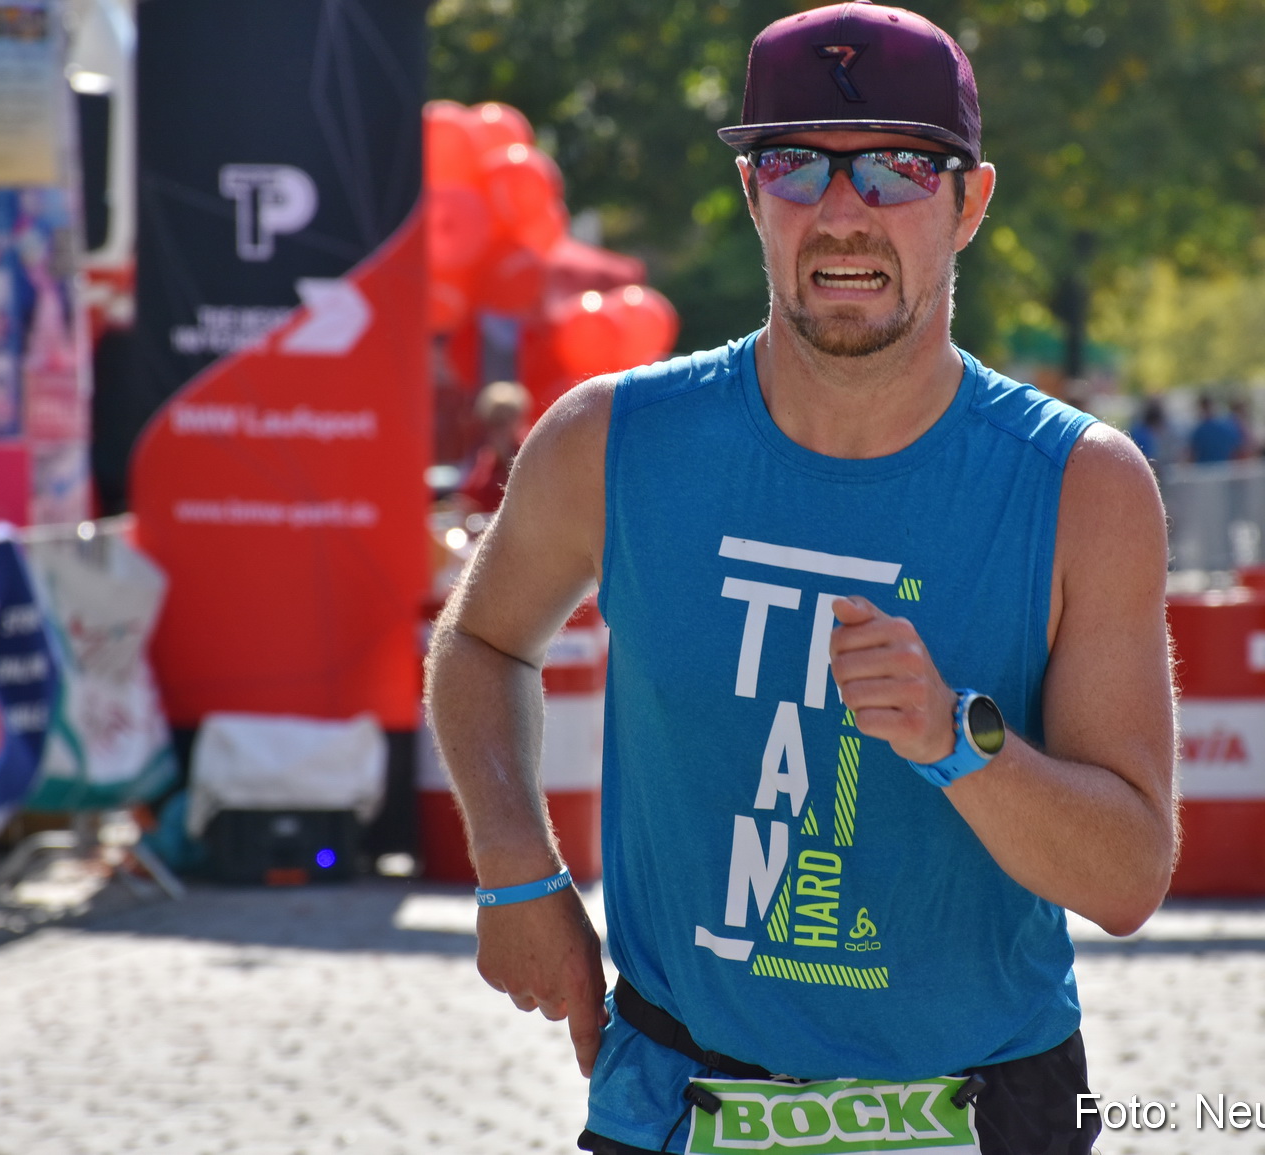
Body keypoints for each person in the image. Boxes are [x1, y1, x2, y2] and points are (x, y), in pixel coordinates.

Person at [425, 6, 1176, 1153]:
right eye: (795, 165)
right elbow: (482, 643)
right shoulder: (611, 440)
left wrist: (953, 738)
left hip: (985, 1105)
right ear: (751, 193)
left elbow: (1125, 878)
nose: (841, 212)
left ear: (969, 203)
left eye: (896, 168)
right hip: (675, 1093)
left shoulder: (1080, 484)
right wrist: (515, 871)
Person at [455, 380, 532, 515]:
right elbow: (469, 495)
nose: (500, 429)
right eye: (495, 421)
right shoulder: (487, 457)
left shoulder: (530, 451)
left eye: (506, 420)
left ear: (519, 419)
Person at [1187, 394, 1245, 463]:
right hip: (1224, 466)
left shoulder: (1199, 431)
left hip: (1206, 467)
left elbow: (1191, 454)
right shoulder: (1228, 427)